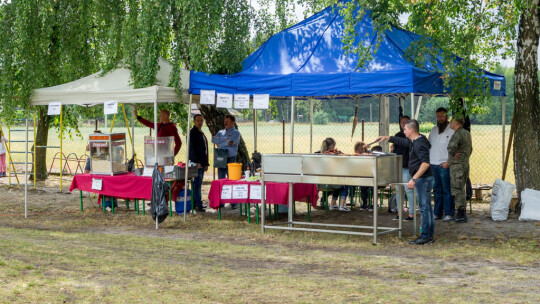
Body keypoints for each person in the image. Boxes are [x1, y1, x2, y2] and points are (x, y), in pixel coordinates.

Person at [377, 119, 435, 245]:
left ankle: (425, 236)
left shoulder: (419, 144)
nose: (403, 131)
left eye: (405, 129)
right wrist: (387, 137)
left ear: (411, 130)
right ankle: (429, 235)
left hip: (423, 179)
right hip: (423, 178)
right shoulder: (415, 141)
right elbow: (402, 141)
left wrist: (414, 178)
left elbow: (425, 163)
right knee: (427, 208)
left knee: (424, 208)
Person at [429, 107, 455, 222]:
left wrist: (449, 162)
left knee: (447, 190)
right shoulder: (434, 130)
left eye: (442, 116)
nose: (440, 119)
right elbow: (429, 146)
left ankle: (449, 213)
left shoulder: (452, 130)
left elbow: (456, 149)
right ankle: (437, 213)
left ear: (447, 116)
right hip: (433, 164)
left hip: (444, 165)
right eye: (438, 116)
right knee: (436, 190)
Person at [212, 114, 241, 208]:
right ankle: (221, 202)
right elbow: (213, 140)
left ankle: (233, 203)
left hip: (231, 159)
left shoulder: (236, 133)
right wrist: (225, 140)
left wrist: (221, 141)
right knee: (220, 180)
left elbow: (231, 142)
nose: (225, 123)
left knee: (231, 180)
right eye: (225, 121)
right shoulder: (220, 132)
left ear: (233, 123)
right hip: (221, 157)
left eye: (227, 122)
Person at [448, 116, 472, 222]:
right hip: (464, 163)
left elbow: (451, 147)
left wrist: (453, 155)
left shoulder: (458, 134)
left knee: (457, 189)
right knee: (461, 187)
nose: (450, 122)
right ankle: (462, 212)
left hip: (457, 165)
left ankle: (461, 213)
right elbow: (470, 149)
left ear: (457, 122)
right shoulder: (467, 133)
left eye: (452, 121)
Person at [315, 138, 349, 211]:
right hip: (328, 182)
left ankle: (326, 201)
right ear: (331, 146)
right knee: (344, 183)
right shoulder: (333, 156)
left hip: (317, 182)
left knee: (336, 182)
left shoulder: (317, 154)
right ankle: (341, 205)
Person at [391, 115, 414, 221]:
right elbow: (395, 151)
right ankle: (399, 213)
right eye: (402, 122)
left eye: (406, 122)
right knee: (399, 191)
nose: (403, 124)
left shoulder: (411, 136)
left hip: (407, 166)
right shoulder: (397, 135)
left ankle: (411, 214)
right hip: (398, 166)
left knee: (409, 190)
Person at [189, 114, 209, 213]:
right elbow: (191, 150)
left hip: (201, 162)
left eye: (201, 120)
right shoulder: (192, 133)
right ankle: (197, 205)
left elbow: (203, 150)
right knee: (196, 184)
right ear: (194, 121)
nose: (200, 122)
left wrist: (205, 163)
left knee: (198, 184)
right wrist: (197, 162)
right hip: (196, 163)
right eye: (198, 120)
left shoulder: (199, 132)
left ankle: (196, 203)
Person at [351, 142, 370, 211]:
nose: (360, 151)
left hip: (365, 177)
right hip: (356, 176)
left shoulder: (368, 156)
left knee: (363, 186)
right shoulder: (354, 157)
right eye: (359, 149)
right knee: (351, 184)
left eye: (362, 149)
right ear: (356, 150)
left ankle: (364, 203)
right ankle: (351, 199)